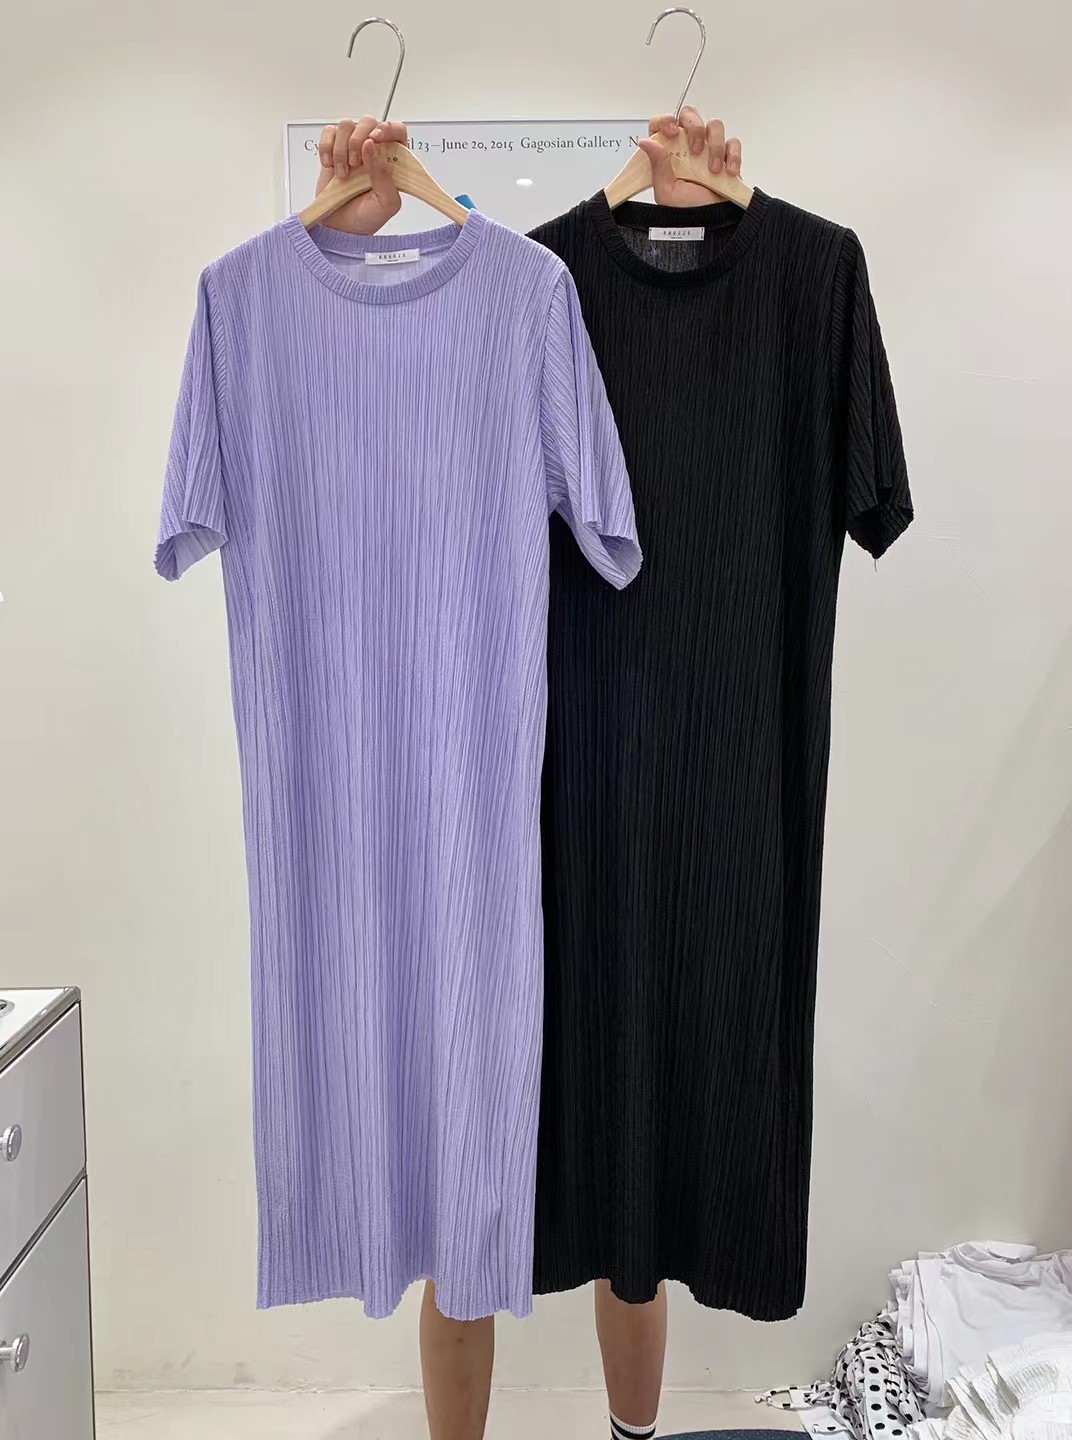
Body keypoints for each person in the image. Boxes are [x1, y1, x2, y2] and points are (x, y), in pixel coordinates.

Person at [309, 107, 744, 1440]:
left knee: (617, 1174)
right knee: (468, 1178)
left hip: (615, 781)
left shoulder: (553, 291)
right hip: (467, 791)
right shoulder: (491, 295)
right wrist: (329, 240)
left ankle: (631, 1431)